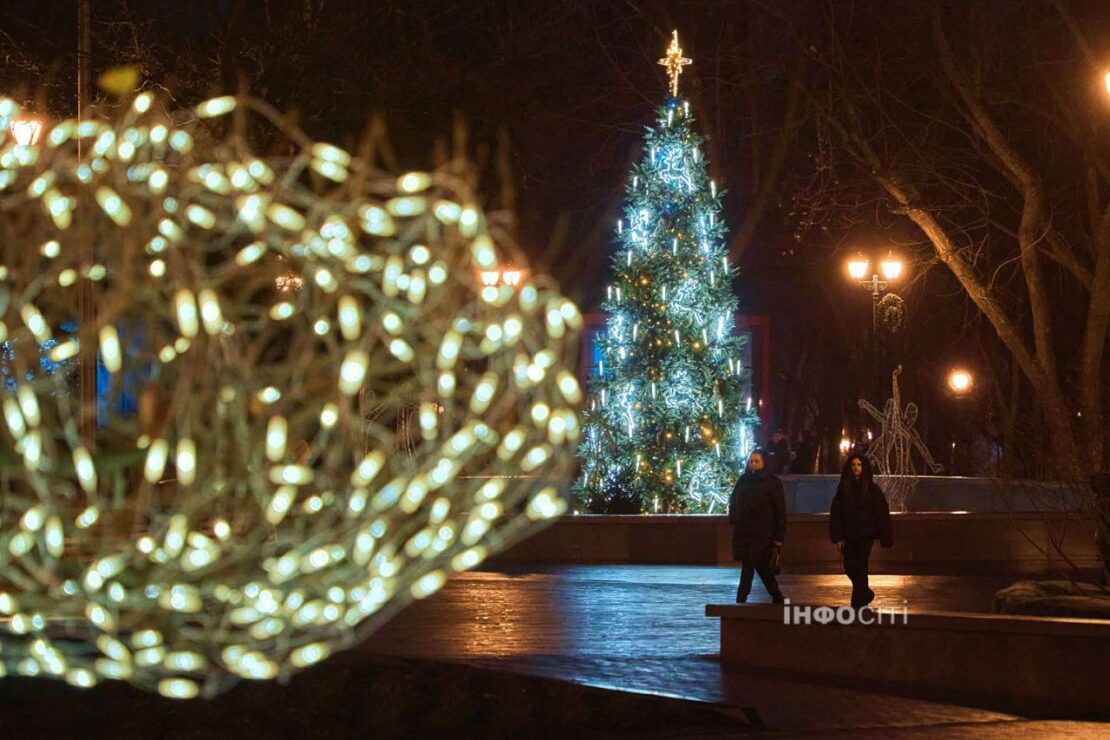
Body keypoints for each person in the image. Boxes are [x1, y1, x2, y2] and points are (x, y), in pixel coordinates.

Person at [829, 454, 893, 607]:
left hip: (865, 535)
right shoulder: (844, 488)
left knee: (861, 566)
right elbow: (837, 513)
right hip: (849, 535)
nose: (856, 468)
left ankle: (858, 602)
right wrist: (838, 536)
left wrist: (884, 535)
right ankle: (865, 593)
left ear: (864, 468)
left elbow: (881, 512)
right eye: (853, 465)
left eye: (859, 465)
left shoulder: (872, 489)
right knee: (850, 566)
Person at [729, 449, 786, 604]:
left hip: (763, 534)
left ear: (764, 462)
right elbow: (734, 501)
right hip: (745, 533)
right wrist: (734, 520)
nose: (753, 464)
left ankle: (741, 599)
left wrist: (779, 536)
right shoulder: (744, 480)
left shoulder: (772, 482)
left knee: (749, 567)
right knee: (761, 567)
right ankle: (777, 597)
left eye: (756, 461)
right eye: (751, 461)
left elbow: (780, 510)